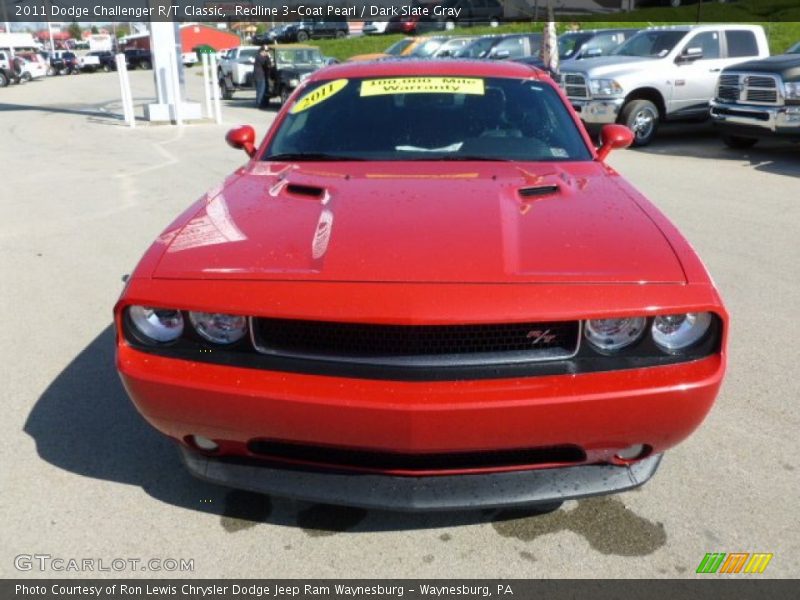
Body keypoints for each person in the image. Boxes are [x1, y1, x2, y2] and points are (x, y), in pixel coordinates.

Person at [253, 44, 273, 109]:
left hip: (259, 76)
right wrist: (269, 57)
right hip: (260, 76)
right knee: (261, 90)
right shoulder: (260, 57)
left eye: (267, 51)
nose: (267, 52)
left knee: (260, 90)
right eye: (266, 51)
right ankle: (259, 104)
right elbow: (268, 65)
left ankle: (260, 103)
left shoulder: (259, 56)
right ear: (262, 51)